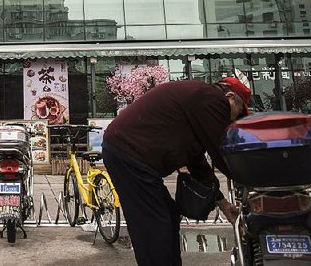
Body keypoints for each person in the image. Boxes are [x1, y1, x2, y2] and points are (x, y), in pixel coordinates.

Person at [102, 77, 252, 266]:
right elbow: (220, 151)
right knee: (154, 224)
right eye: (238, 114)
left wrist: (222, 203)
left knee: (168, 216)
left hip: (129, 154)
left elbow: (197, 162)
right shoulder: (212, 98)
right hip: (128, 153)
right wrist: (252, 180)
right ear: (230, 97)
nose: (234, 120)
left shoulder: (198, 101)